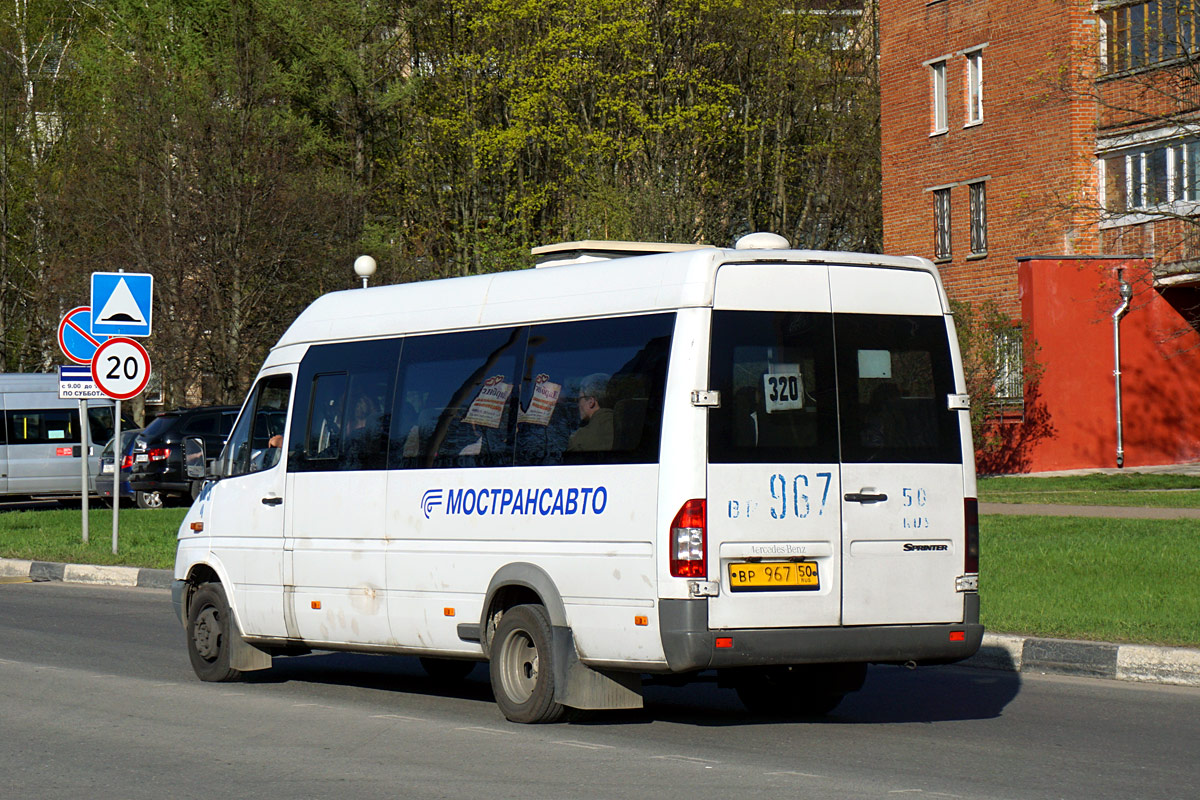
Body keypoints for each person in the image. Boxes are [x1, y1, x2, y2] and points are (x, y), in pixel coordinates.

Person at [567, 373, 614, 452]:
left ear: (591, 402)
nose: (578, 404)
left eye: (579, 399)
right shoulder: (627, 427)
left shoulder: (579, 438)